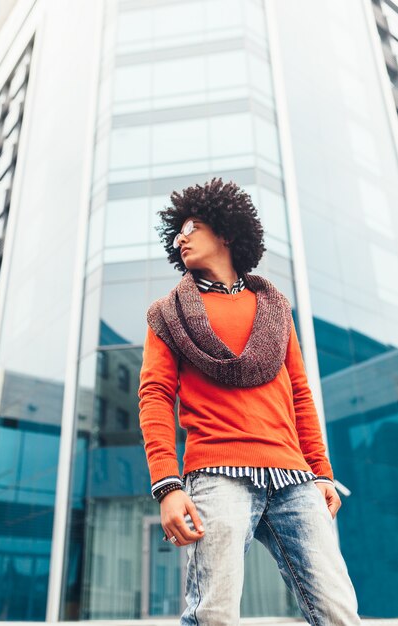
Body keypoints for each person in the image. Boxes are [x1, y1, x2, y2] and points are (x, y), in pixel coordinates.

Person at [138, 177, 361, 625]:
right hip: (218, 475)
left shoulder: (276, 309)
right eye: (177, 231)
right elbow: (155, 396)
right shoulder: (169, 314)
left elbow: (299, 393)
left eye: (193, 226)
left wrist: (322, 473)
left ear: (225, 232)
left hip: (293, 477)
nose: (182, 237)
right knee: (213, 614)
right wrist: (168, 484)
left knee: (339, 612)